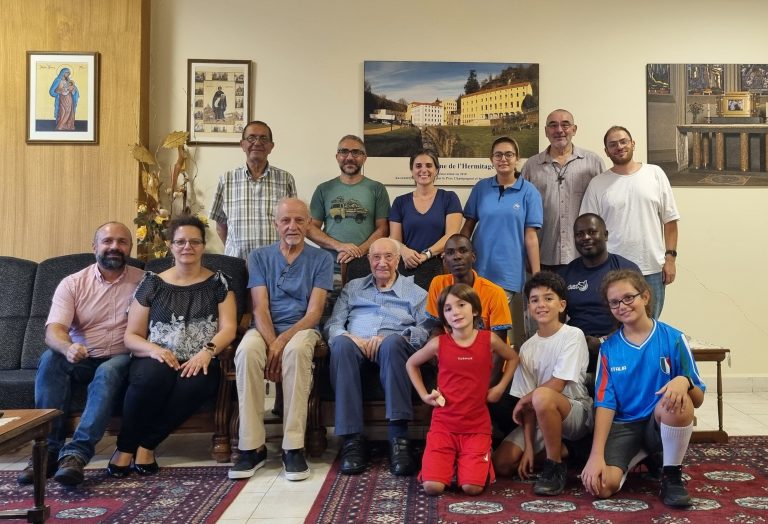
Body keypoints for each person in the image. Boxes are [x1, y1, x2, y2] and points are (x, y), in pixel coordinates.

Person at [108, 216, 237, 476]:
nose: (187, 247)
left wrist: (207, 352)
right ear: (170, 245)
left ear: (203, 246)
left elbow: (229, 328)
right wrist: (155, 350)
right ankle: (125, 447)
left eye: (194, 242)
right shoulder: (152, 283)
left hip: (200, 357)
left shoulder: (219, 283)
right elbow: (132, 335)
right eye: (180, 242)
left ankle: (147, 444)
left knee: (197, 384)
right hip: (155, 356)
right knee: (150, 378)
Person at [17, 222, 144, 487]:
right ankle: (47, 452)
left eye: (122, 242)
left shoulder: (144, 282)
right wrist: (68, 347)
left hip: (123, 357)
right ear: (94, 246)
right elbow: (54, 330)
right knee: (50, 359)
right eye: (107, 241)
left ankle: (76, 455)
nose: (114, 247)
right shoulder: (73, 283)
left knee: (108, 370)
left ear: (130, 247)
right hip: (82, 357)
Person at [581, 269, 705, 507]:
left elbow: (697, 399)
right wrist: (595, 455)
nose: (622, 306)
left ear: (645, 297)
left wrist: (685, 381)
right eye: (614, 302)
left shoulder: (673, 338)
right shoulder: (608, 348)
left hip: (658, 422)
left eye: (629, 297)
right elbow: (605, 403)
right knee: (600, 486)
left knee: (678, 402)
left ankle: (672, 477)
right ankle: (640, 455)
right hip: (624, 427)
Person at [229, 198, 333, 481]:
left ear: (309, 224)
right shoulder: (259, 257)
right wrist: (272, 341)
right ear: (275, 224)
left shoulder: (322, 259)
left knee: (296, 351)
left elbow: (314, 313)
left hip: (302, 329)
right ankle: (252, 447)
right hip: (264, 328)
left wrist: (280, 343)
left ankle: (293, 447)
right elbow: (259, 308)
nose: (292, 226)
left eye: (299, 220)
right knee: (246, 351)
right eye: (286, 220)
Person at [325, 237, 429, 476]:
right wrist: (350, 337)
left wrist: (396, 337)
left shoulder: (415, 293)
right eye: (376, 257)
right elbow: (333, 324)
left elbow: (425, 330)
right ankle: (352, 440)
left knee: (392, 344)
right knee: (340, 344)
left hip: (394, 348)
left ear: (398, 260)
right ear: (369, 260)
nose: (382, 263)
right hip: (355, 344)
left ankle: (399, 438)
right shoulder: (352, 288)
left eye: (388, 257)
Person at [406, 284, 518, 496]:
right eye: (448, 309)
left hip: (476, 426)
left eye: (461, 305)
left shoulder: (489, 339)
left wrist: (499, 387)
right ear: (444, 317)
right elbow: (411, 364)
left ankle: (470, 462)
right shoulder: (438, 343)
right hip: (443, 426)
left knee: (471, 488)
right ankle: (449, 462)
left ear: (474, 310)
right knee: (432, 487)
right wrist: (424, 395)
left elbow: (513, 358)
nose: (455, 312)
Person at [492, 272, 593, 497]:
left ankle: (554, 466)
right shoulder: (527, 348)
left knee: (542, 396)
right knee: (503, 464)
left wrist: (525, 401)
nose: (541, 305)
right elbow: (529, 406)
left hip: (575, 411)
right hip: (540, 412)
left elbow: (557, 384)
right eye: (535, 300)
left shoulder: (573, 335)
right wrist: (529, 447)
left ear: (561, 305)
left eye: (548, 298)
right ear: (528, 307)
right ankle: (566, 452)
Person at [580, 126, 680, 318]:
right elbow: (588, 230)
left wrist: (670, 259)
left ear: (633, 143)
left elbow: (670, 221)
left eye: (623, 141)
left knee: (649, 325)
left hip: (651, 268)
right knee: (613, 326)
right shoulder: (598, 184)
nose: (619, 147)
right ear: (606, 151)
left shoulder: (655, 174)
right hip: (612, 271)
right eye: (613, 144)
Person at [522, 109, 605, 271]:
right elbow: (522, 213)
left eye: (565, 125)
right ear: (546, 131)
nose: (559, 130)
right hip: (542, 256)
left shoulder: (593, 163)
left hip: (584, 256)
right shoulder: (531, 166)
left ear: (574, 129)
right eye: (553, 125)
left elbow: (604, 207)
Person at [460, 136, 542, 299]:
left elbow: (531, 237)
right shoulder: (481, 188)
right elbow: (468, 226)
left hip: (508, 272)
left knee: (496, 315)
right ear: (491, 159)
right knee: (473, 314)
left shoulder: (529, 191)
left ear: (517, 158)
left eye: (509, 154)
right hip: (477, 268)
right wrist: (457, 253)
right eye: (498, 155)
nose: (503, 159)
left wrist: (537, 276)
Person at [209, 120, 297, 258]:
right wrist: (236, 250)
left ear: (271, 146)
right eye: (251, 138)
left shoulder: (286, 179)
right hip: (237, 262)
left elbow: (293, 223)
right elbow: (221, 226)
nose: (257, 142)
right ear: (242, 144)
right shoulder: (226, 180)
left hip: (276, 262)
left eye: (263, 138)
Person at [559, 214, 641, 358]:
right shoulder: (566, 274)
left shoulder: (626, 269)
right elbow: (557, 321)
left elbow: (640, 318)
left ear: (606, 235)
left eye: (592, 232)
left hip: (620, 344)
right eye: (579, 234)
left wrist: (603, 342)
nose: (585, 237)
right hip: (576, 347)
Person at [308, 135, 390, 265]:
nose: (350, 157)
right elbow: (310, 228)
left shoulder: (377, 189)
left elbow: (384, 228)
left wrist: (359, 251)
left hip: (367, 265)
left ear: (364, 157)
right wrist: (338, 246)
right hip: (328, 266)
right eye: (344, 152)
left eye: (356, 152)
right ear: (337, 157)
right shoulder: (323, 189)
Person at [389, 149, 462, 282]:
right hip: (408, 265)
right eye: (418, 166)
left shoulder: (449, 198)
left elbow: (451, 235)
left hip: (440, 266)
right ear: (412, 171)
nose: (423, 170)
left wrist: (426, 254)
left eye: (429, 165)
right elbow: (394, 239)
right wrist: (404, 251)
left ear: (436, 170)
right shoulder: (400, 202)